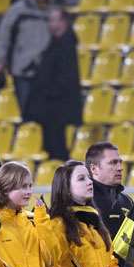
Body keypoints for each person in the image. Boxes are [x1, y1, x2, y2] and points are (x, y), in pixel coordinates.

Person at [25, 8, 82, 161]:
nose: (49, 23)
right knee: (52, 145)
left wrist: (47, 92)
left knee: (57, 147)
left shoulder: (65, 45)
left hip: (57, 105)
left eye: (53, 20)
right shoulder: (56, 43)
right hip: (51, 105)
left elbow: (65, 76)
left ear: (63, 22)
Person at [0, 0, 54, 114]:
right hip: (22, 69)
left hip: (46, 71)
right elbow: (4, 37)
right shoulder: (17, 10)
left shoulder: (54, 13)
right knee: (27, 112)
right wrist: (0, 61)